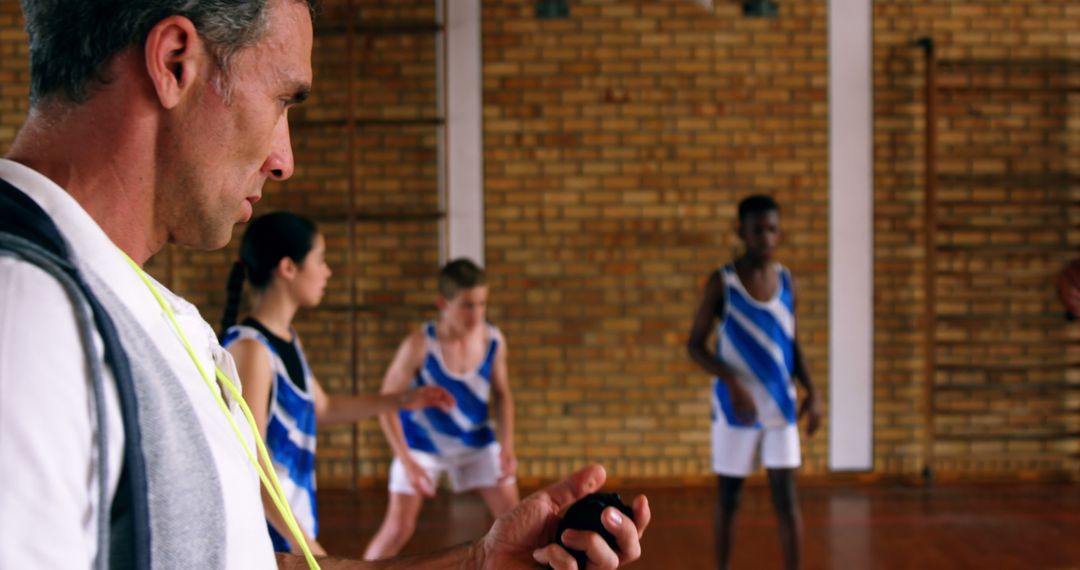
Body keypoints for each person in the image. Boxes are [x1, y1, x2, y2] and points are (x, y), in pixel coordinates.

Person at [0, 0, 650, 568]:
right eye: (283, 99)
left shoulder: (140, 311)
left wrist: (475, 564)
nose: (284, 159)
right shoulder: (26, 322)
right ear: (175, 62)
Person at [219, 211, 457, 556]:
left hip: (292, 532)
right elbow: (252, 465)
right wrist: (310, 551)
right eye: (321, 259)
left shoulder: (286, 339)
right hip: (267, 539)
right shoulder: (251, 350)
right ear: (288, 268)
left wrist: (402, 399)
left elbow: (324, 407)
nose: (327, 271)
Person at [686, 194, 821, 570]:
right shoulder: (723, 282)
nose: (766, 237)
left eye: (773, 229)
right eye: (758, 229)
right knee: (729, 498)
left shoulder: (787, 281)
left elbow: (793, 344)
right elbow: (694, 346)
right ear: (740, 231)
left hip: (781, 405)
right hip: (736, 407)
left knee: (786, 499)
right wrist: (730, 380)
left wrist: (814, 392)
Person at [364, 258, 520, 560]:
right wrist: (406, 460)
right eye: (466, 305)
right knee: (397, 529)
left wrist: (508, 445)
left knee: (517, 522)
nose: (476, 315)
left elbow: (502, 394)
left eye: (482, 304)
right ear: (442, 304)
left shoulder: (493, 340)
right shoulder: (420, 344)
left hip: (476, 441)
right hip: (422, 446)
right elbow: (386, 403)